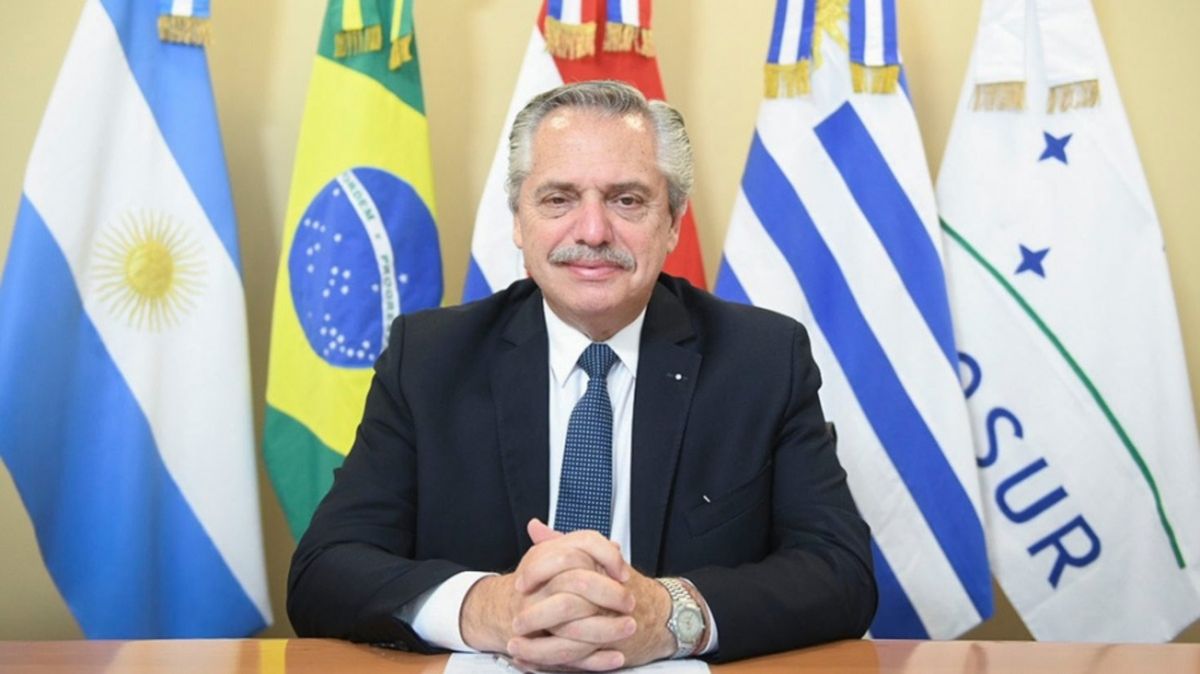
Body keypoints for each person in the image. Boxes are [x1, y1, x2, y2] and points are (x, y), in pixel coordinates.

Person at [287, 80, 876, 670]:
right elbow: (324, 570)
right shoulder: (430, 360)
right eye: (558, 199)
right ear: (519, 220)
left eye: (627, 200)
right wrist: (489, 608)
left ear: (673, 222)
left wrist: (670, 614)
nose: (593, 231)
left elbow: (842, 571)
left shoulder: (762, 360)